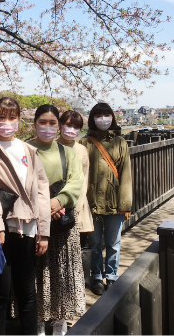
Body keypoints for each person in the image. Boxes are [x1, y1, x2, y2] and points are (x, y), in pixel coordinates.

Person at [0, 97, 51, 336]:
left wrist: (44, 231)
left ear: (19, 119)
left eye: (12, 117)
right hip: (2, 231)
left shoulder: (29, 150)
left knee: (27, 292)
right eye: (1, 117)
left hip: (28, 229)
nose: (7, 122)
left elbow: (42, 190)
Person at [29, 104, 85, 336]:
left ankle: (60, 318)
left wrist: (59, 201)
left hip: (62, 224)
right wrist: (44, 206)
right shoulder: (25, 149)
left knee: (62, 273)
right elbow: (19, 185)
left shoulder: (68, 153)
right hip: (33, 222)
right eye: (43, 122)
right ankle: (39, 319)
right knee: (36, 274)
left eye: (53, 123)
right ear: (35, 123)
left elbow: (76, 182)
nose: (48, 127)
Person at [79, 102, 132, 295]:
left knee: (113, 242)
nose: (103, 119)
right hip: (91, 203)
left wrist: (125, 204)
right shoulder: (84, 143)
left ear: (112, 117)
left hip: (114, 203)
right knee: (93, 243)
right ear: (92, 118)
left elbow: (126, 175)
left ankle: (111, 276)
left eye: (106, 115)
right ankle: (96, 277)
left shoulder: (121, 142)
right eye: (98, 115)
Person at [57, 110, 94, 247]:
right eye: (68, 125)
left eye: (76, 127)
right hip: (56, 209)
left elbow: (85, 179)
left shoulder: (81, 149)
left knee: (79, 249)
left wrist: (78, 203)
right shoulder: (51, 147)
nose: (71, 129)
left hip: (78, 207)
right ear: (60, 125)